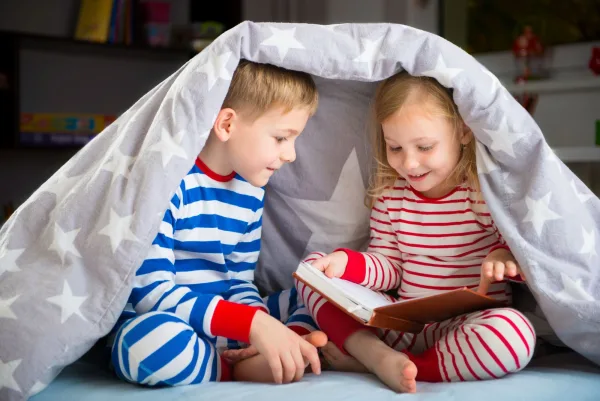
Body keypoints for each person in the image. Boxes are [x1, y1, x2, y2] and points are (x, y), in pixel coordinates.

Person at [296, 71, 535, 393]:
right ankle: (374, 355)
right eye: (394, 148)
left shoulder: (481, 195)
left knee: (515, 333)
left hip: (465, 326)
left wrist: (504, 257)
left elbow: (529, 258)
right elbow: (390, 267)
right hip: (400, 325)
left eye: (424, 147)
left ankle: (408, 367)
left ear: (463, 131)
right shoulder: (391, 197)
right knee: (313, 270)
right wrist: (345, 264)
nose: (409, 164)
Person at [109, 59, 327, 388]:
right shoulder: (167, 182)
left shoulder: (251, 190)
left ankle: (282, 350)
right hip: (167, 319)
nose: (291, 155)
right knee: (149, 344)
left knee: (315, 295)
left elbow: (238, 282)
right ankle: (232, 369)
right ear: (227, 124)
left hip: (230, 322)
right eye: (282, 138)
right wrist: (252, 325)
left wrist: (262, 324)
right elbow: (149, 293)